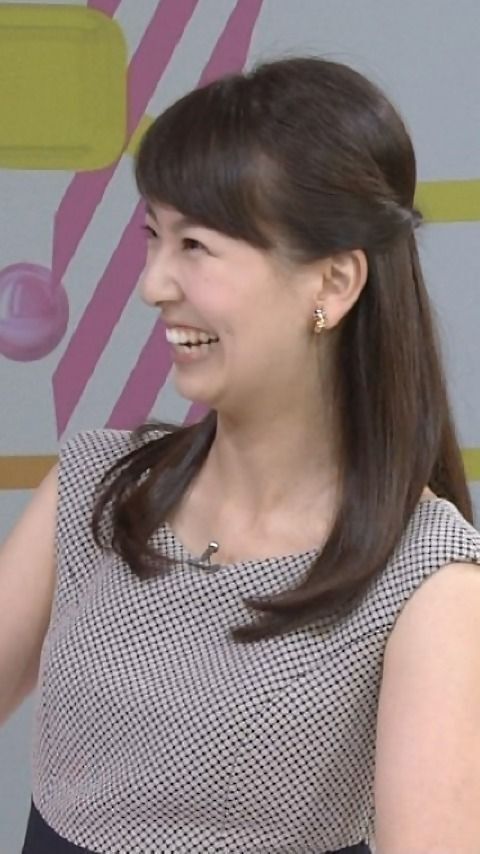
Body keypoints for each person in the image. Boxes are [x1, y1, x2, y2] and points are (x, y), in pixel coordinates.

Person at [1, 55, 479, 854]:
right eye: (153, 237)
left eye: (195, 245)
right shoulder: (95, 485)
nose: (154, 284)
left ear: (332, 284)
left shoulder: (428, 579)